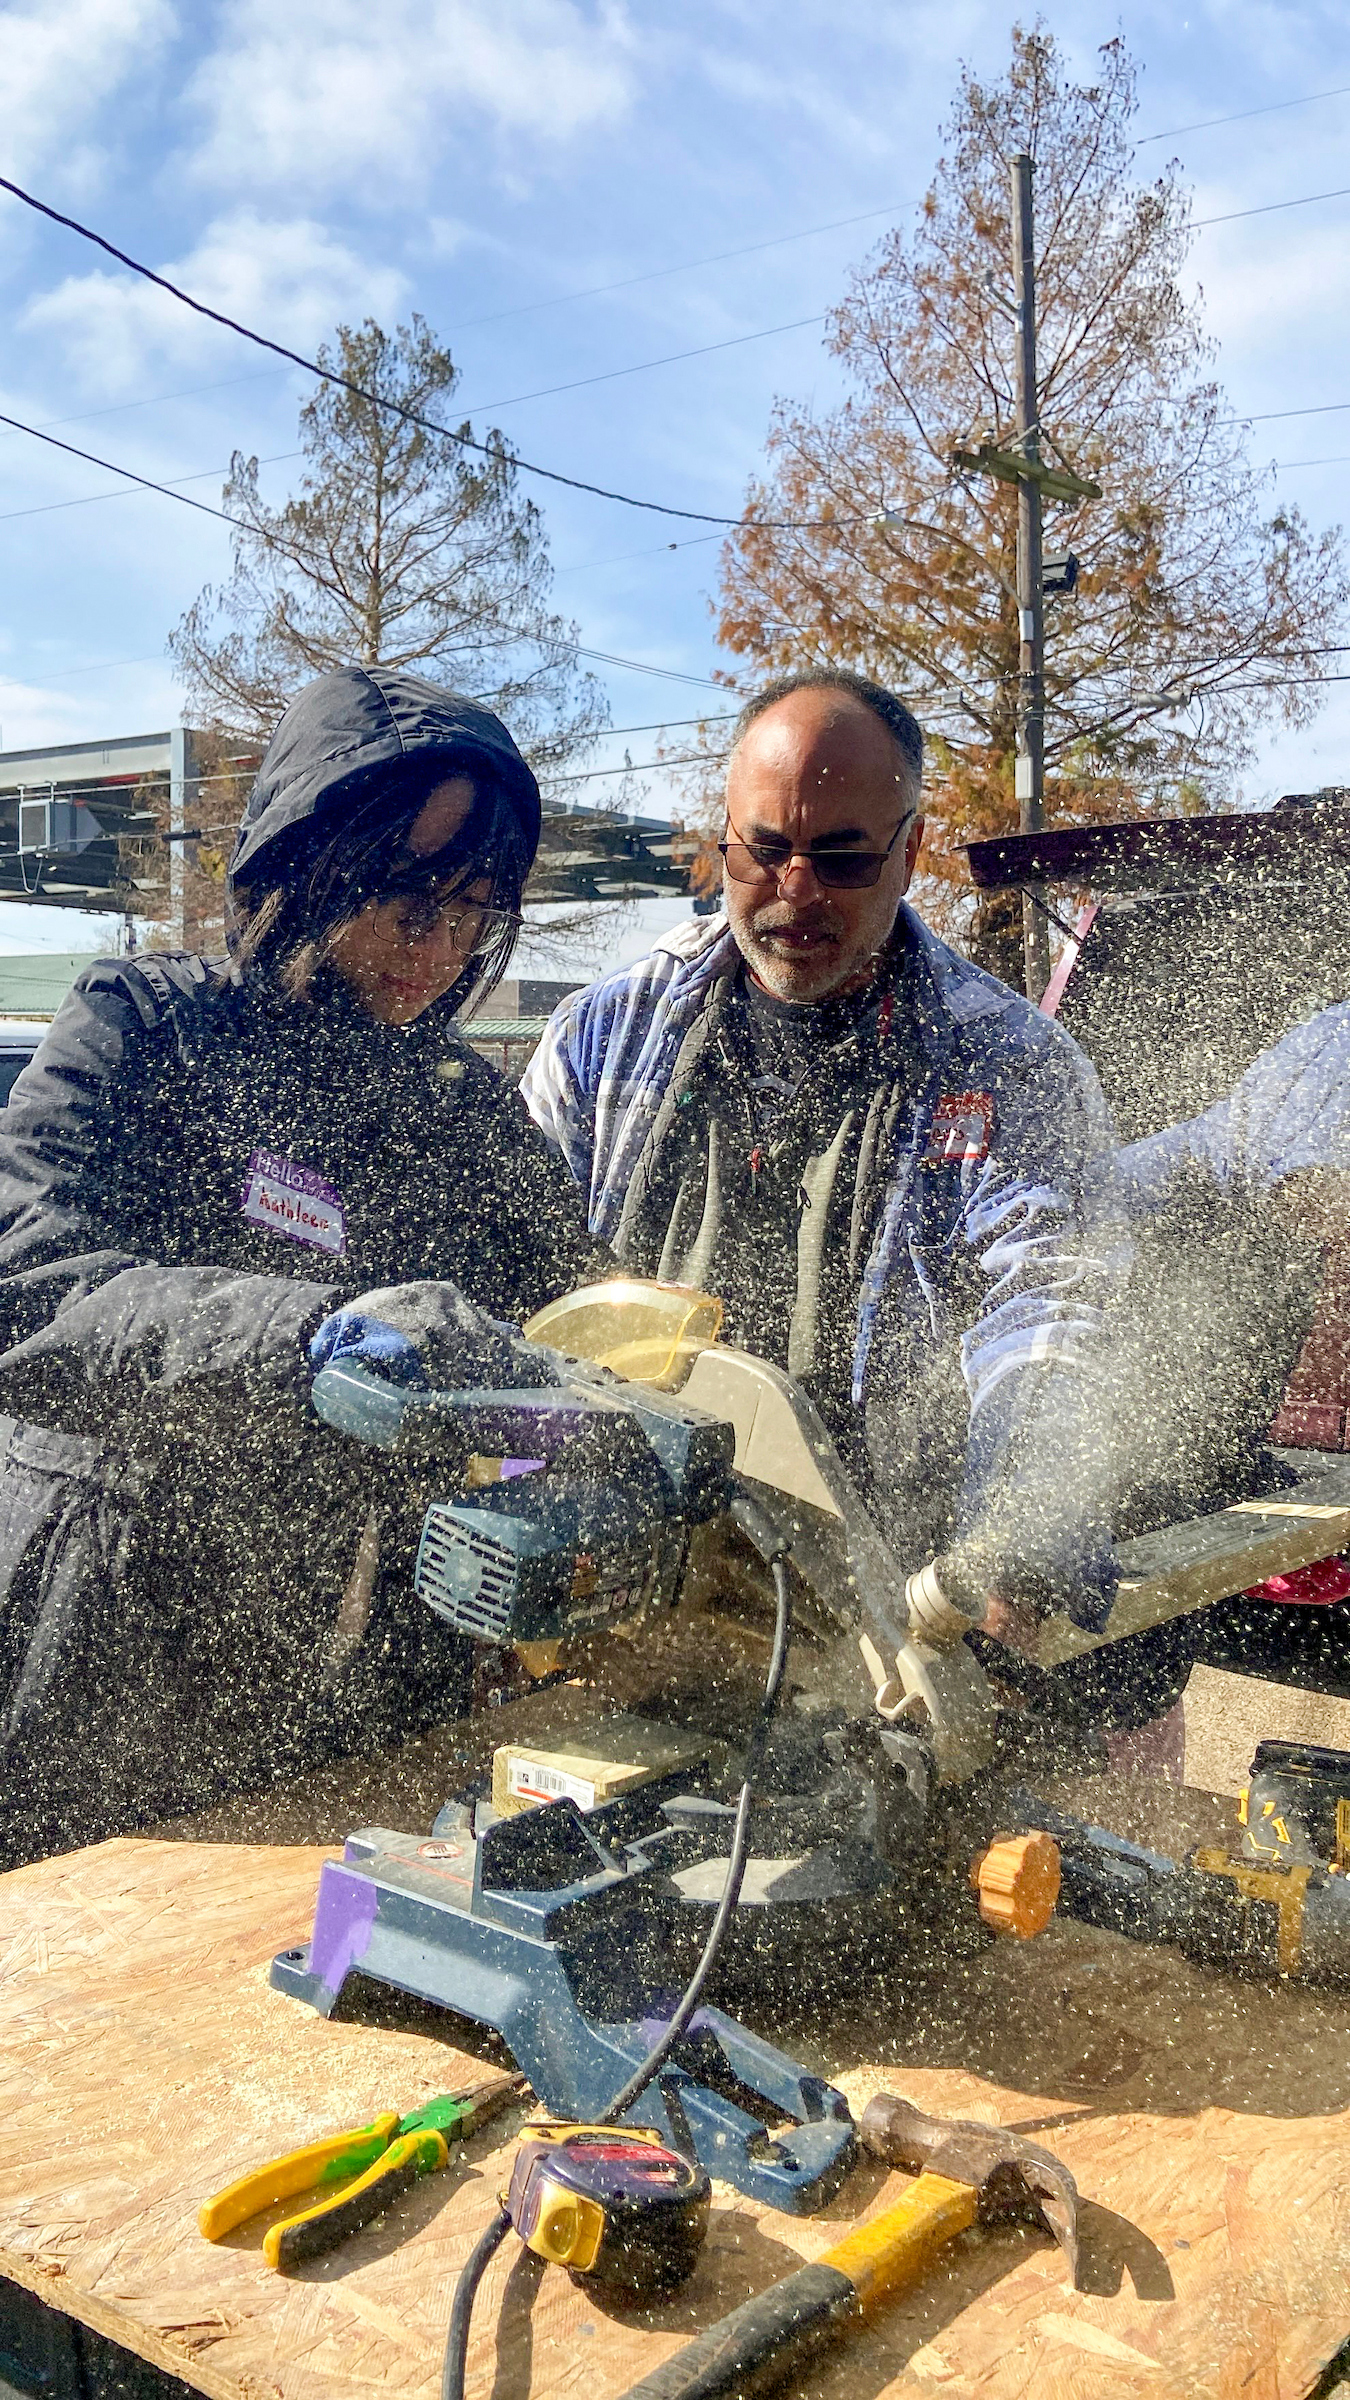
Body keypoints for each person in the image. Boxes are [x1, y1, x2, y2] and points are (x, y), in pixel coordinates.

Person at [0, 666, 605, 1866]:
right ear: (309, 861)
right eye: (405, 903)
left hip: (367, 1671)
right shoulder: (145, 1028)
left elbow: (587, 1317)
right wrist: (306, 1336)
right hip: (104, 1640)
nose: (436, 951)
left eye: (473, 912)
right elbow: (32, 1294)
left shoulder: (461, 1115)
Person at [523, 668, 1121, 1662]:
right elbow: (517, 1274)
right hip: (624, 1595)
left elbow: (1048, 1309)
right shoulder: (608, 1030)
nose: (796, 891)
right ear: (724, 839)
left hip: (897, 1620)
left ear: (910, 851)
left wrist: (1014, 1525)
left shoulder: (1008, 1064)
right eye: (765, 851)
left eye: (840, 858)